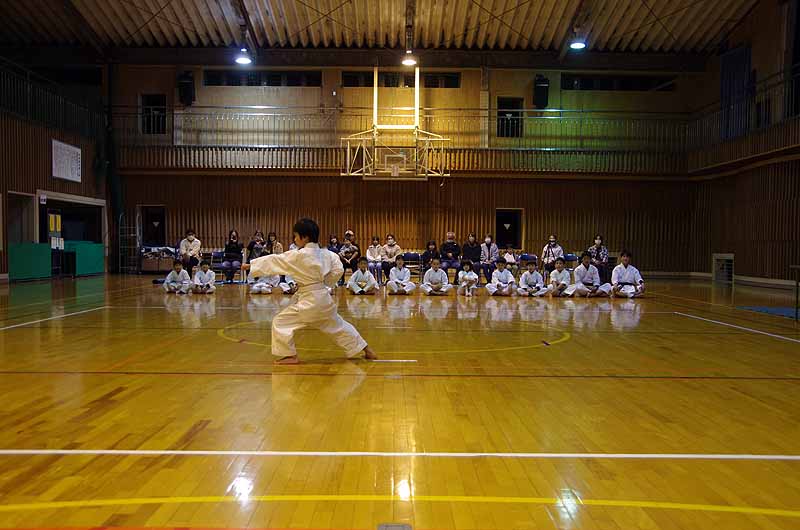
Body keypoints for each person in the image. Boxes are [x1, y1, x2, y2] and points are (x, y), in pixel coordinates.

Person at [244, 218, 377, 364]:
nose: (295, 239)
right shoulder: (328, 254)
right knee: (339, 326)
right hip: (323, 298)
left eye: (296, 236)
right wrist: (325, 283)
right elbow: (338, 270)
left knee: (281, 322)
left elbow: (275, 260)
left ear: (305, 237)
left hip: (308, 302)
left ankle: (289, 355)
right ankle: (366, 349)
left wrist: (251, 266)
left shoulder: (297, 255)